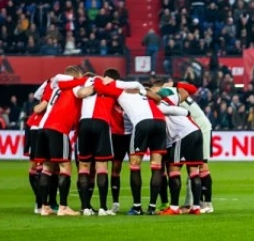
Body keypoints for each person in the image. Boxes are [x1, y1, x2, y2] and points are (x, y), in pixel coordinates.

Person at [90, 76, 166, 215]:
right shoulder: (142, 92)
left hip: (143, 123)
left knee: (135, 165)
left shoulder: (120, 91)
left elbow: (100, 88)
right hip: (160, 122)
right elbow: (158, 99)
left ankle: (137, 207)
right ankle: (152, 208)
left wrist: (97, 79)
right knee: (156, 166)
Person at [34, 67, 90, 216]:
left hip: (44, 128)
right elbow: (83, 92)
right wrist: (94, 84)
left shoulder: (56, 89)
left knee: (47, 168)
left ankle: (44, 207)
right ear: (76, 76)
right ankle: (63, 207)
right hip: (58, 129)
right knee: (65, 167)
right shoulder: (74, 86)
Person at [153, 83, 204, 215]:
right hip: (196, 131)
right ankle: (196, 207)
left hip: (182, 135)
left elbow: (166, 110)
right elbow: (186, 92)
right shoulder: (171, 98)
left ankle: (174, 208)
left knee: (174, 170)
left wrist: (185, 112)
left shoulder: (158, 105)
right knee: (194, 171)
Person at [76, 71, 118, 216]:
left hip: (84, 123)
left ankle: (86, 207)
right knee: (102, 167)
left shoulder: (86, 83)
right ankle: (103, 208)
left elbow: (80, 94)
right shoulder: (113, 84)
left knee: (84, 166)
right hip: (102, 123)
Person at [173, 81, 214, 213]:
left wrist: (173, 84)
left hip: (201, 127)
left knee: (201, 165)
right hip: (194, 128)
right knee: (193, 166)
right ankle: (191, 203)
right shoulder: (177, 92)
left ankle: (207, 204)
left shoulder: (173, 94)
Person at [25, 84, 46, 213]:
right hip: (39, 128)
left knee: (37, 168)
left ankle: (41, 202)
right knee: (41, 168)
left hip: (36, 126)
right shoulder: (49, 96)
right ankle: (41, 202)